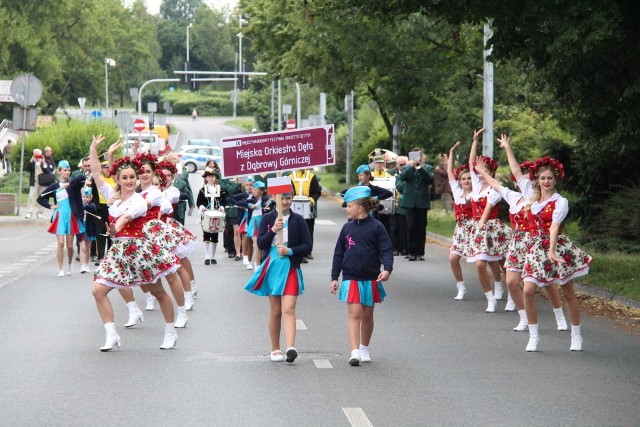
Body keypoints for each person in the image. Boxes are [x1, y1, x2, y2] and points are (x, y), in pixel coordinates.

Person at [88, 135, 181, 351]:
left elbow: (127, 217)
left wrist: (114, 228)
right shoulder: (111, 195)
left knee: (158, 292)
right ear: (118, 179)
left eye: (133, 177)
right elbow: (95, 173)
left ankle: (170, 332)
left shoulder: (140, 199)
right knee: (98, 291)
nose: (129, 181)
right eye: (125, 177)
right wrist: (94, 148)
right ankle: (111, 333)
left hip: (139, 250)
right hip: (118, 251)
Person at [520, 156, 592, 352]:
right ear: (537, 179)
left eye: (550, 178)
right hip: (535, 249)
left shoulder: (560, 202)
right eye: (542, 178)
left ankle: (576, 335)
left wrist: (551, 250)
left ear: (556, 179)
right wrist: (507, 148)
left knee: (568, 293)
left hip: (557, 247)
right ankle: (533, 336)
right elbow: (517, 174)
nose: (546, 181)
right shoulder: (532, 200)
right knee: (527, 290)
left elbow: (554, 226)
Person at [244, 190, 312, 363]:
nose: (285, 202)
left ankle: (290, 347)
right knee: (275, 310)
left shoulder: (299, 220)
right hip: (273, 265)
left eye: (288, 198)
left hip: (290, 266)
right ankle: (275, 348)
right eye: (282, 198)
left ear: (292, 199)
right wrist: (274, 229)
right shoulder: (267, 219)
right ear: (274, 198)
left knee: (288, 308)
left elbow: (307, 245)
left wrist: (291, 251)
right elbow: (260, 244)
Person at [330, 186, 394, 366]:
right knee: (355, 313)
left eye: (349, 206)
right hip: (350, 276)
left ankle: (364, 347)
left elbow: (386, 250)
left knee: (367, 314)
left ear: (360, 208)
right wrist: (335, 277)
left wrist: (387, 269)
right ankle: (354, 351)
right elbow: (338, 253)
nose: (346, 209)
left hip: (371, 277)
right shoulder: (346, 228)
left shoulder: (377, 227)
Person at [466, 128, 510, 312]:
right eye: (480, 170)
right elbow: (470, 163)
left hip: (492, 228)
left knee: (502, 262)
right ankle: (489, 297)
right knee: (480, 263)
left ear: (491, 173)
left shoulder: (495, 190)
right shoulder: (477, 185)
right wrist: (475, 140)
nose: (480, 173)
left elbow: (488, 210)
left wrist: (480, 226)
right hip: (479, 227)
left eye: (485, 170)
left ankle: (511, 294)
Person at [37, 160, 86, 277]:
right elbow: (40, 198)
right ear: (59, 171)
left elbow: (82, 178)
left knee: (69, 246)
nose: (67, 172)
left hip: (71, 216)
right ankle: (60, 269)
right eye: (65, 170)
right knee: (60, 243)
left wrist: (68, 184)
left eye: (68, 170)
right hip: (59, 216)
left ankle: (69, 265)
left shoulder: (73, 184)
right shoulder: (54, 186)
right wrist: (50, 206)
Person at [446, 142, 474, 300]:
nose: (466, 181)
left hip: (475, 227)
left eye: (469, 178)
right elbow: (449, 172)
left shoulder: (476, 192)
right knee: (453, 258)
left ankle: (498, 284)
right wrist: (451, 153)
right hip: (461, 228)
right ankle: (461, 286)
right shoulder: (457, 192)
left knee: (486, 261)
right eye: (463, 178)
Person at [398, 148, 434, 261]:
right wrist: (411, 166)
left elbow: (429, 179)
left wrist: (420, 167)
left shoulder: (427, 168)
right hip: (410, 201)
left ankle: (420, 252)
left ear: (422, 157)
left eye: (419, 156)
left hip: (422, 201)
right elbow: (402, 177)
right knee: (411, 226)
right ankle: (412, 252)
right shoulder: (406, 168)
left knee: (421, 227)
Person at [235, 180, 274, 270]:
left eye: (256, 190)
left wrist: (270, 203)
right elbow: (238, 202)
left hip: (264, 222)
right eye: (253, 189)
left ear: (262, 191)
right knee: (256, 243)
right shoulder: (253, 199)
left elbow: (272, 201)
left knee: (262, 244)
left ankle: (260, 262)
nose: (253, 191)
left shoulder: (266, 199)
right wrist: (249, 204)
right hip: (254, 222)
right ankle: (257, 265)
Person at [289, 167, 322, 261]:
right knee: (295, 229)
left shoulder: (311, 176)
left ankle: (308, 251)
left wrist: (311, 200)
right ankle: (298, 251)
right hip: (294, 206)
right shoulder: (291, 176)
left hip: (309, 206)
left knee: (309, 229)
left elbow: (317, 192)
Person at [196, 168, 227, 265]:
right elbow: (199, 202)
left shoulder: (220, 189)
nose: (211, 178)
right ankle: (206, 257)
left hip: (217, 214)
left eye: (213, 176)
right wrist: (202, 207)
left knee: (215, 235)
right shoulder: (202, 190)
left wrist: (222, 206)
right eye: (209, 177)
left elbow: (224, 201)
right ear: (206, 178)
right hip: (207, 214)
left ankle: (213, 257)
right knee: (206, 235)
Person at [25, 148, 55, 219]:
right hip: (34, 181)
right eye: (36, 154)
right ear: (33, 154)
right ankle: (29, 212)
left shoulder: (44, 161)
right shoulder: (32, 161)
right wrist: (31, 160)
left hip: (43, 181)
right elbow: (27, 168)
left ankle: (40, 213)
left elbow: (48, 171)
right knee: (31, 196)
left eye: (39, 155)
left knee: (42, 197)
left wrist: (44, 162)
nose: (38, 156)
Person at [389, 156, 408, 256]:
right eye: (401, 165)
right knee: (393, 226)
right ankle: (394, 247)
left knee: (403, 226)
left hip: (403, 203)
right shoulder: (391, 173)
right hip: (393, 202)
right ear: (397, 165)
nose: (403, 166)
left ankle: (404, 247)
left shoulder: (409, 172)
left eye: (405, 164)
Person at [79, 186, 98, 274]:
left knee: (87, 247)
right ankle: (82, 265)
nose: (85, 199)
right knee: (82, 247)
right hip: (81, 228)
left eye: (87, 197)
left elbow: (92, 209)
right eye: (83, 197)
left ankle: (86, 264)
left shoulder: (92, 205)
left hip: (89, 229)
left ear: (91, 197)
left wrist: (83, 207)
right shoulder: (79, 205)